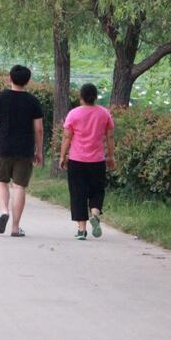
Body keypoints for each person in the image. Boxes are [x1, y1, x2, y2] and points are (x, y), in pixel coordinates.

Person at [0, 65, 44, 238]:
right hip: (24, 148)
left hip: (3, 146)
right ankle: (15, 228)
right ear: (28, 81)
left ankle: (4, 211)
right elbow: (39, 129)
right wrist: (39, 150)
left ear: (10, 78)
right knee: (19, 186)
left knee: (1, 181)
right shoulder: (33, 101)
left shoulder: (1, 97)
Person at [59, 83, 115, 240]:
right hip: (97, 160)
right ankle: (95, 214)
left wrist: (62, 156)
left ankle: (81, 230)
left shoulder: (73, 114)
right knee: (97, 190)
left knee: (78, 193)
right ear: (96, 97)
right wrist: (111, 156)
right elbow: (110, 137)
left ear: (80, 97)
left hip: (77, 160)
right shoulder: (104, 113)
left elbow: (67, 137)